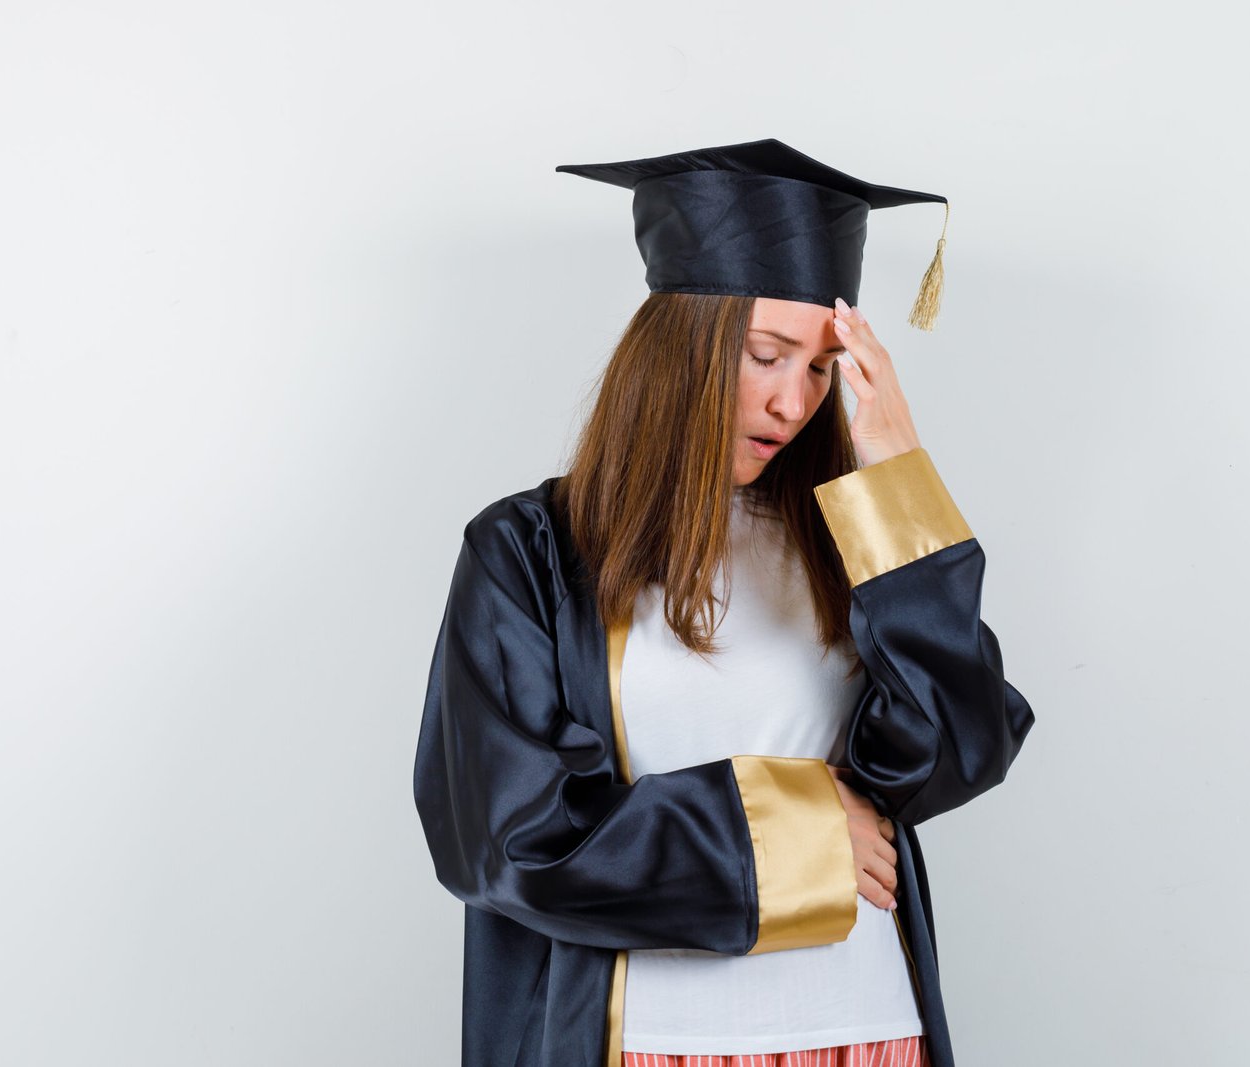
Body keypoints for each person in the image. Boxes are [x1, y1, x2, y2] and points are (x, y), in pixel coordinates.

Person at [412, 138, 1035, 1067]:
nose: (793, 402)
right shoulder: (530, 553)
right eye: (766, 353)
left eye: (821, 367)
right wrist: (799, 833)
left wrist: (898, 492)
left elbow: (956, 750)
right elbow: (506, 839)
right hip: (644, 1039)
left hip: (862, 1029)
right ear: (683, 349)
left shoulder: (844, 537)